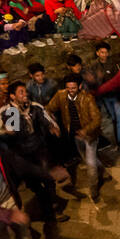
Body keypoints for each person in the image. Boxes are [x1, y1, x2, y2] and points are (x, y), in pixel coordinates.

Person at [45, 73, 105, 201]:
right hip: (76, 136)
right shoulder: (61, 95)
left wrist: (85, 130)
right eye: (68, 88)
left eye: (73, 88)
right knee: (89, 159)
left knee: (90, 164)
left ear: (80, 86)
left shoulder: (88, 98)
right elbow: (48, 109)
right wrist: (51, 123)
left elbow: (97, 119)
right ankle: (103, 171)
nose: (70, 91)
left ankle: (94, 191)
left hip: (89, 136)